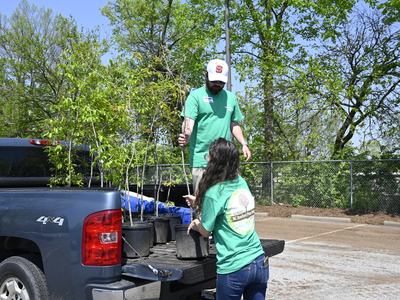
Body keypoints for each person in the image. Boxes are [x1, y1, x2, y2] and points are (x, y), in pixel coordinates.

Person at [184, 138, 268, 300]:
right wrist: (199, 202)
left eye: (208, 158)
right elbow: (229, 207)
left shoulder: (214, 193)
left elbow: (205, 230)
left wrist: (195, 223)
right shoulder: (241, 182)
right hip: (259, 261)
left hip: (234, 268)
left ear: (216, 163)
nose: (206, 161)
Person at [178, 59, 251, 192]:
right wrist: (186, 134)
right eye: (214, 81)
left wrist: (244, 143)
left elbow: (234, 123)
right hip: (202, 161)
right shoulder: (195, 96)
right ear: (206, 75)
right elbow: (189, 120)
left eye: (221, 82)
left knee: (227, 204)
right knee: (202, 204)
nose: (217, 84)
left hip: (225, 161)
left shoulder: (231, 98)